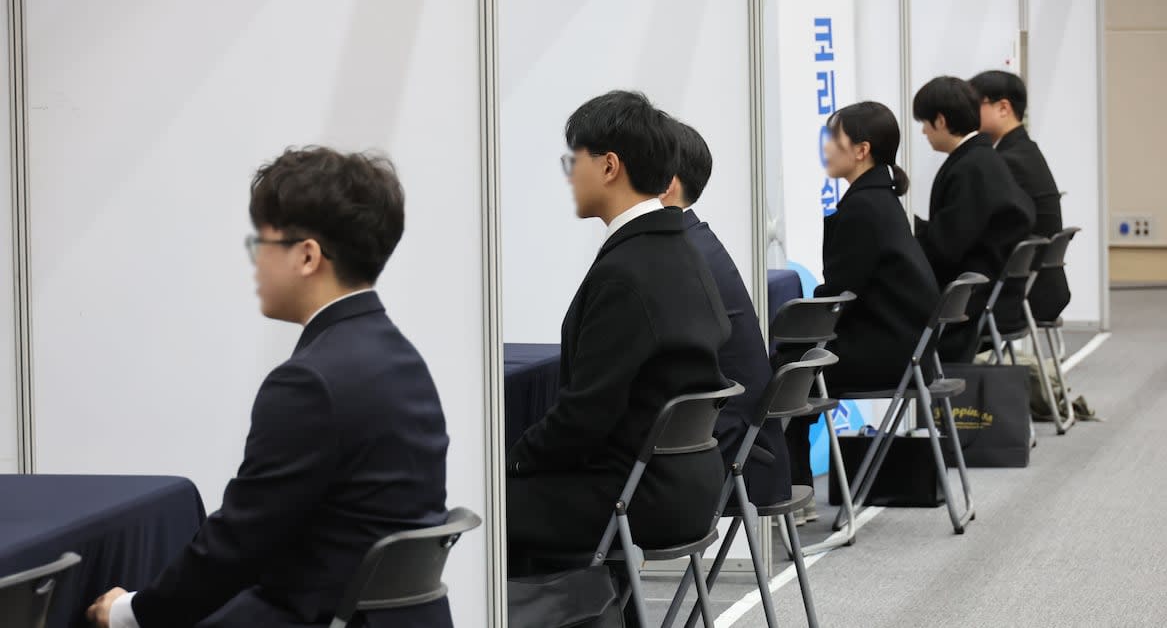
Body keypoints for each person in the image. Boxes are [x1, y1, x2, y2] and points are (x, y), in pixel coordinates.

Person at [87, 147, 452, 628]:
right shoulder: (402, 358)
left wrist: (130, 612)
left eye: (262, 243)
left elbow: (237, 545)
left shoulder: (310, 381)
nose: (256, 262)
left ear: (306, 255)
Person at [506, 91, 731, 567]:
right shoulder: (683, 251)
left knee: (483, 510)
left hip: (638, 496)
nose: (570, 176)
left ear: (609, 166)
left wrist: (511, 460)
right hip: (687, 483)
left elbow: (584, 417)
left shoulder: (627, 271)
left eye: (575, 161)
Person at [776, 101, 940, 490]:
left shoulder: (863, 208)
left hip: (888, 355)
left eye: (835, 138)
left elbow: (837, 297)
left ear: (861, 150)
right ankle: (793, 479)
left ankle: (788, 484)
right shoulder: (880, 200)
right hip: (909, 352)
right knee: (795, 360)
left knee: (786, 366)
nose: (827, 147)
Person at [659, 119, 792, 510]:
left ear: (666, 182)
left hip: (724, 453)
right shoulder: (695, 241)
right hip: (747, 448)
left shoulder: (677, 256)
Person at [912, 76, 1035, 362]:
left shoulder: (970, 169)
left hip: (971, 302)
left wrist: (909, 230)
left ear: (941, 121)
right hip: (998, 297)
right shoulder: (984, 160)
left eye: (925, 123)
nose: (923, 132)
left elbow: (946, 248)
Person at [970, 70, 1070, 322]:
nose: (968, 113)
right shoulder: (1024, 150)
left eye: (974, 105)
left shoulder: (1009, 161)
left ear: (1003, 107)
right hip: (1042, 285)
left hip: (1025, 294)